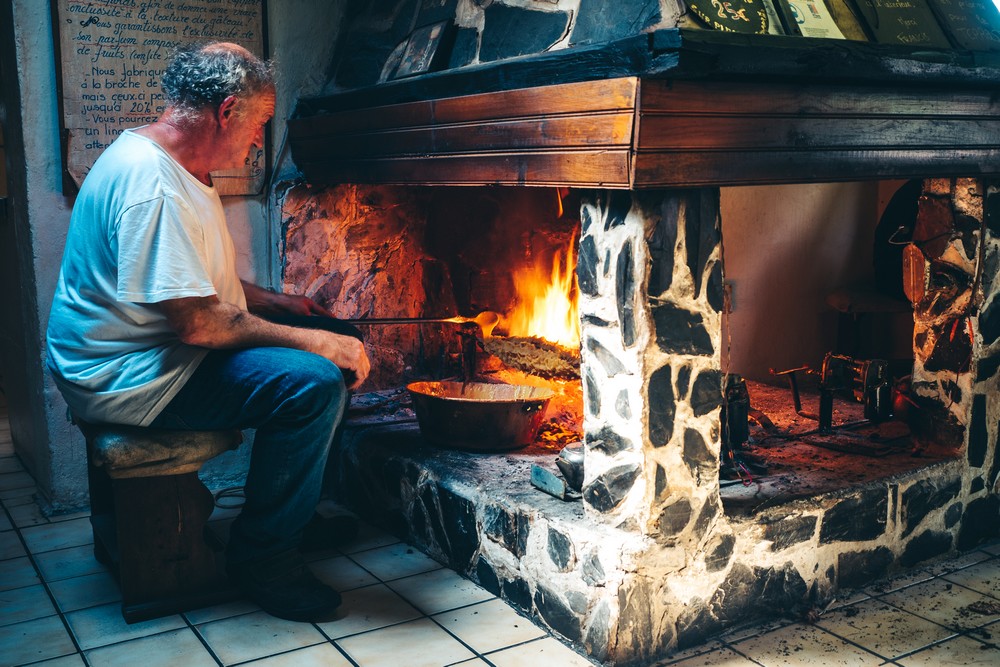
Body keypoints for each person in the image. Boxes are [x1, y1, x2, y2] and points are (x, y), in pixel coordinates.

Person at [45, 42, 370, 622]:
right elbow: (197, 322)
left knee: (324, 337)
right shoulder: (154, 187)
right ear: (226, 111)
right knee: (315, 381)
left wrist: (280, 302)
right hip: (130, 376)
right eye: (259, 126)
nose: (257, 142)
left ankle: (287, 511)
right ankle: (266, 556)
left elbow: (187, 282)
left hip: (145, 352)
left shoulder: (162, 157)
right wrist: (320, 344)